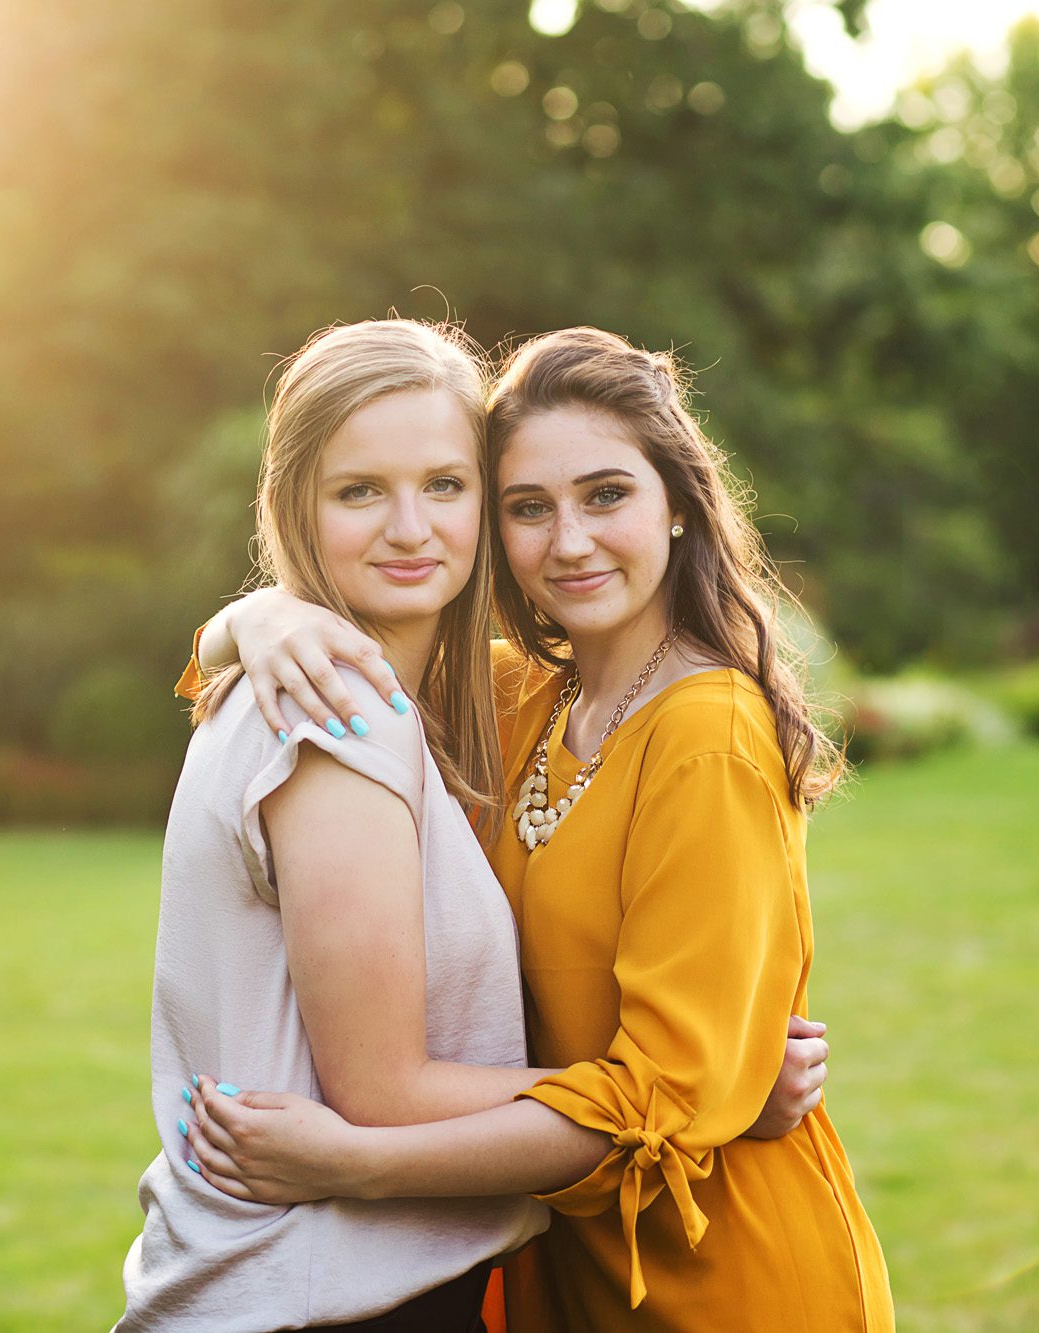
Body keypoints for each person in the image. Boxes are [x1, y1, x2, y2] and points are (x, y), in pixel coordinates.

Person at [121, 319, 828, 1331]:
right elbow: (393, 1089)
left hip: (702, 1269)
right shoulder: (478, 704)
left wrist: (702, 1092)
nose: (410, 526)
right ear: (296, 507)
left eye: (444, 486)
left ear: (679, 503)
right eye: (527, 505)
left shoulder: (666, 727)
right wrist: (253, 618)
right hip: (347, 1279)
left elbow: (667, 1091)